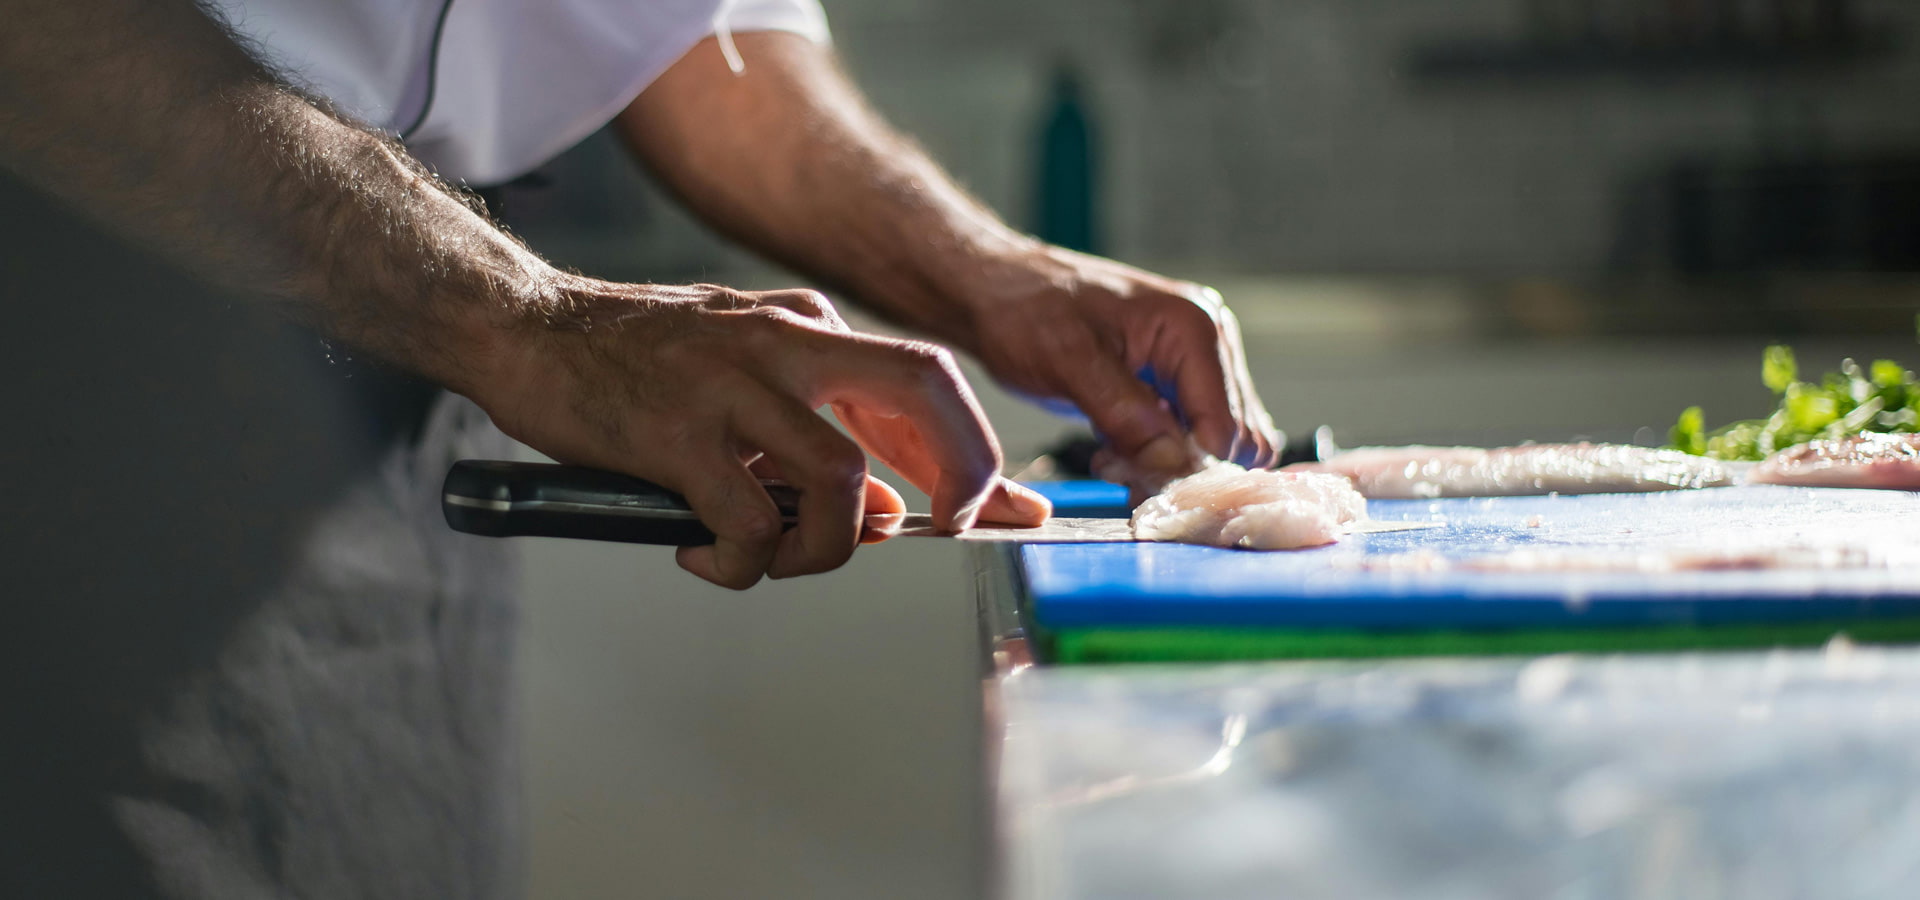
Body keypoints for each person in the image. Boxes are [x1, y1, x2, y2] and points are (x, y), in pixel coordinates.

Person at [0, 0, 1277, 896]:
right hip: (64, 372)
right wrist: (522, 318)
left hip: (404, 390)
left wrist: (983, 274)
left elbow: (681, 36)